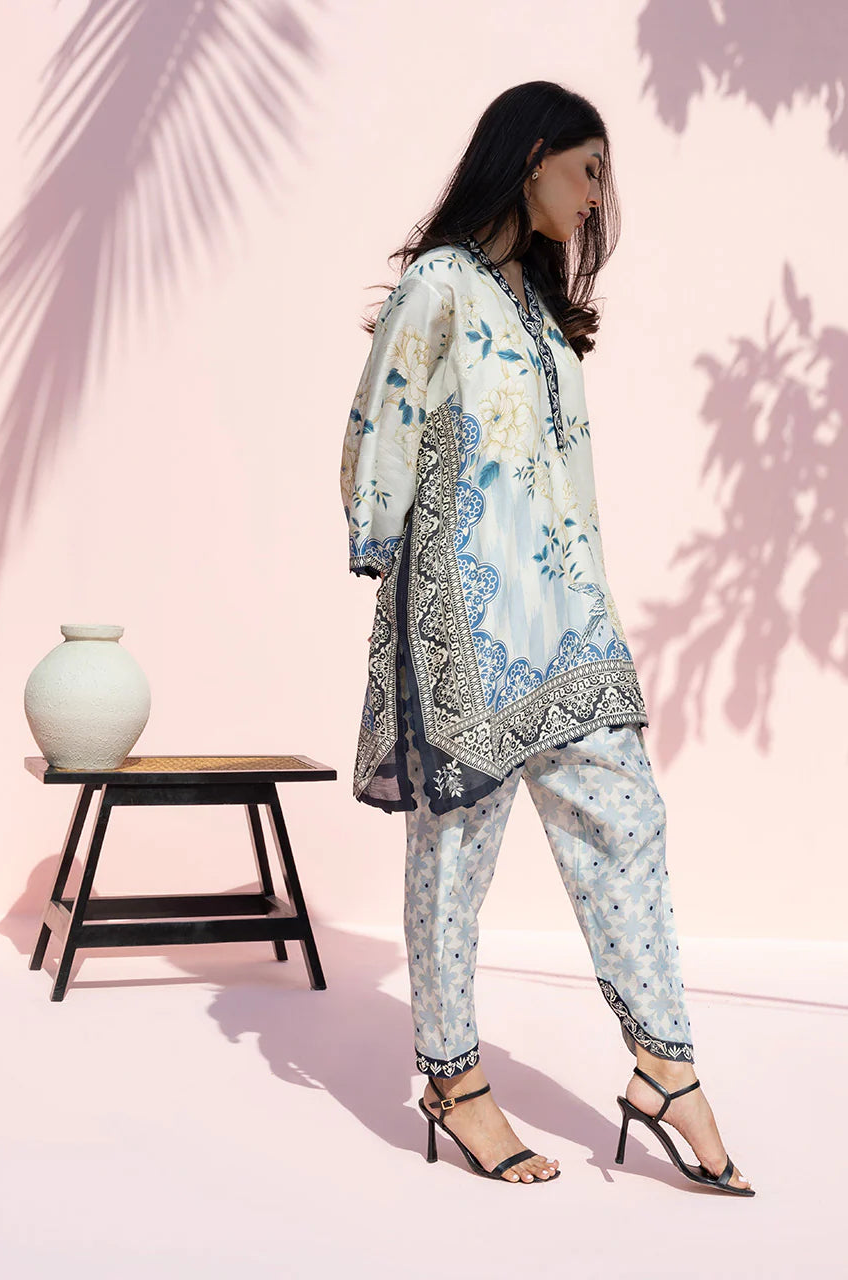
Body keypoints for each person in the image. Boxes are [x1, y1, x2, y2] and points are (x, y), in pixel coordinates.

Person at [339, 81, 754, 1193]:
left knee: (629, 817)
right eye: (588, 169)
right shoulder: (439, 284)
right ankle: (453, 1078)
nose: (597, 195)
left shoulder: (534, 303)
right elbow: (383, 411)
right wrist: (377, 542)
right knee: (454, 856)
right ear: (529, 157)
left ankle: (664, 1065)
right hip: (464, 616)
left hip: (567, 618)